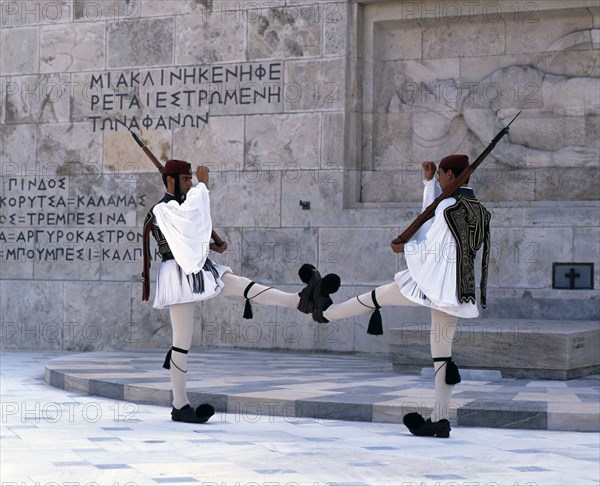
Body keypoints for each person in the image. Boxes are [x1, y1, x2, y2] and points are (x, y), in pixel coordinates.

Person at [303, 154, 491, 438]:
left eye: (440, 174)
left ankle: (324, 313)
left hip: (433, 283)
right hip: (458, 291)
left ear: (452, 175)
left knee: (376, 297)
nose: (439, 178)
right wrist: (429, 183)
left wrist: (405, 248)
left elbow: (431, 239)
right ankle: (440, 419)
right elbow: (433, 214)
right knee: (442, 355)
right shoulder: (476, 208)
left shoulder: (448, 208)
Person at [141, 160, 318, 424]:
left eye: (191, 179)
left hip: (198, 267)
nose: (190, 183)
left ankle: (299, 301)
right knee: (181, 342)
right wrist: (202, 187)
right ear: (171, 181)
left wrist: (213, 245)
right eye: (186, 179)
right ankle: (180, 405)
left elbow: (190, 238)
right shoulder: (162, 210)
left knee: (241, 284)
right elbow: (188, 223)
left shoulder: (176, 208)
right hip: (178, 277)